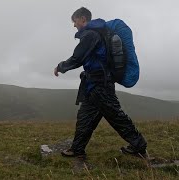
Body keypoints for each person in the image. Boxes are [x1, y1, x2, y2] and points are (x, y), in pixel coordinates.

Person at [54, 7, 147, 160]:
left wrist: (60, 67)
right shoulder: (96, 33)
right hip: (93, 84)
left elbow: (78, 57)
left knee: (116, 116)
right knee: (85, 116)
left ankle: (139, 145)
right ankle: (77, 148)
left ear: (83, 19)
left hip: (100, 85)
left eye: (75, 21)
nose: (74, 25)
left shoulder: (90, 34)